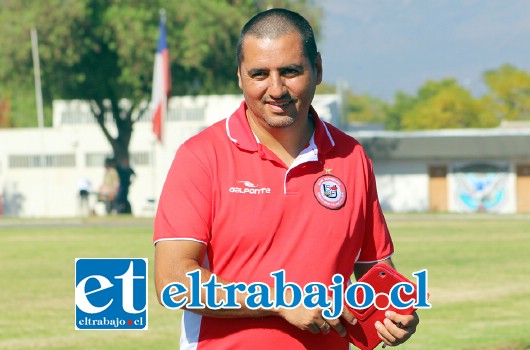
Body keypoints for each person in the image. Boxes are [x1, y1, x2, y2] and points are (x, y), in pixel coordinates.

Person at [153, 8, 419, 350]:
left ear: (318, 69)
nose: (275, 89)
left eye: (290, 71)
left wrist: (395, 312)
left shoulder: (351, 157)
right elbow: (172, 281)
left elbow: (375, 273)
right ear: (239, 76)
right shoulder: (201, 156)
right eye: (259, 74)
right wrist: (278, 303)